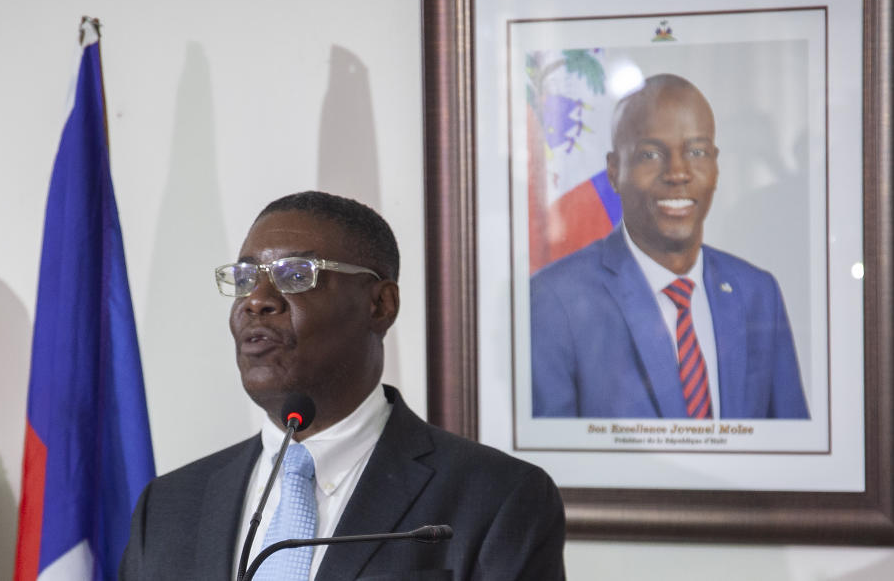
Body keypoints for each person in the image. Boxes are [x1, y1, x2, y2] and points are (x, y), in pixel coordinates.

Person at [121, 191, 565, 580]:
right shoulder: (169, 506)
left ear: (380, 304)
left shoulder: (496, 498)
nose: (256, 299)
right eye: (245, 278)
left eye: (295, 275)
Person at [531, 74, 809, 420]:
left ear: (715, 166)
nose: (678, 172)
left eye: (696, 152)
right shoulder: (555, 299)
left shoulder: (757, 292)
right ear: (615, 170)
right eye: (650, 154)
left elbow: (790, 447)